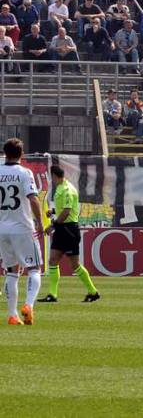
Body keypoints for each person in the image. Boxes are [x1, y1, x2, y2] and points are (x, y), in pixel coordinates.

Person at [0, 138, 45, 325]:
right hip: (23, 228)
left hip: (2, 229)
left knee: (11, 271)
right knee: (35, 268)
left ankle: (12, 315)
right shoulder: (25, 173)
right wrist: (40, 223)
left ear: (5, 153)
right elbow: (33, 199)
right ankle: (28, 305)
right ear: (22, 154)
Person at [40, 165, 99, 304]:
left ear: (55, 175)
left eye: (51, 176)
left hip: (68, 230)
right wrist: (53, 212)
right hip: (62, 229)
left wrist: (52, 226)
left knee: (75, 265)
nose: (51, 179)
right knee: (53, 260)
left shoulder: (67, 189)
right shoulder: (62, 187)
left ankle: (93, 291)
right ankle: (52, 295)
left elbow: (67, 212)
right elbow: (65, 208)